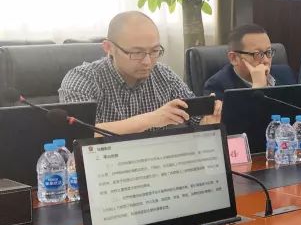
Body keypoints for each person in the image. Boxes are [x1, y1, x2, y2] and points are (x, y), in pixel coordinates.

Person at [58, 11, 220, 133]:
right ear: (109, 48)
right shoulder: (82, 79)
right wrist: (151, 119)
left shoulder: (164, 76)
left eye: (155, 51)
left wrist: (209, 121)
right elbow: (78, 133)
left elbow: (196, 120)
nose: (147, 61)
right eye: (136, 53)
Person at [203, 24, 295, 95]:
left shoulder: (285, 74)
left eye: (268, 52)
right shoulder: (217, 87)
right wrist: (258, 88)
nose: (266, 60)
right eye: (257, 54)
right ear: (234, 58)